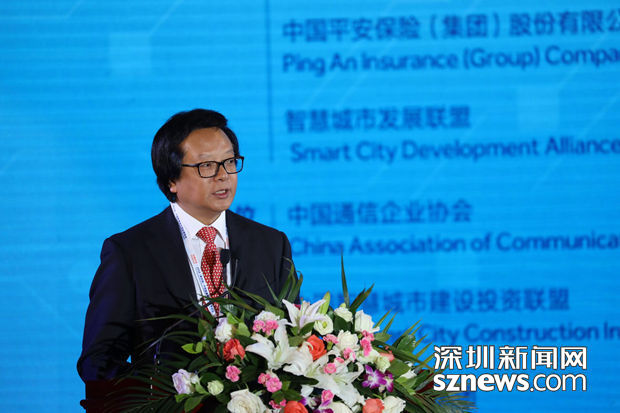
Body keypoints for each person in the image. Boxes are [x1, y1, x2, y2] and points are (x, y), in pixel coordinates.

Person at [77, 109, 293, 409]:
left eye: (230, 162)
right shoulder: (130, 252)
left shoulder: (270, 244)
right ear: (171, 180)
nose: (223, 175)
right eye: (207, 165)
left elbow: (289, 339)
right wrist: (164, 400)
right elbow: (99, 360)